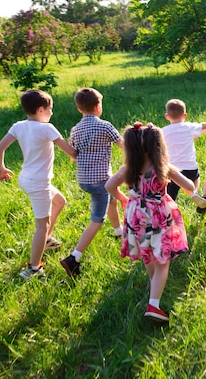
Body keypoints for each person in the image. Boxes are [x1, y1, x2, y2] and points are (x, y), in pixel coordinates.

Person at [105, 122, 206, 322]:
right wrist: (190, 188)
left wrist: (125, 199)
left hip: (135, 213)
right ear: (157, 145)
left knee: (147, 252)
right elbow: (188, 186)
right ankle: (154, 304)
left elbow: (109, 186)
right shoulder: (164, 168)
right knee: (163, 259)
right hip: (158, 214)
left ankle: (155, 284)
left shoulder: (127, 168)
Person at [0, 89, 77, 279]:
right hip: (39, 183)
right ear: (41, 110)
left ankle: (46, 239)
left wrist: (1, 169)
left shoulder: (18, 126)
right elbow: (70, 152)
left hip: (26, 178)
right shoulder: (47, 128)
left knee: (60, 201)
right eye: (50, 109)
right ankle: (33, 268)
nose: (52, 113)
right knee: (42, 224)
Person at [60, 88, 124, 278]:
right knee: (97, 219)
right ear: (98, 107)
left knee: (112, 200)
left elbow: (74, 155)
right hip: (100, 181)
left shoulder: (75, 129)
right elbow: (122, 144)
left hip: (85, 179)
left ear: (80, 109)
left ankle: (118, 232)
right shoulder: (105, 126)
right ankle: (73, 258)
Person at [162, 99, 206, 201]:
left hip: (172, 171)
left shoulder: (164, 131)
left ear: (167, 116)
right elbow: (202, 126)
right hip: (190, 168)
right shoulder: (189, 127)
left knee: (170, 193)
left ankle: (169, 207)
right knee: (196, 177)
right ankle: (194, 192)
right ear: (184, 115)